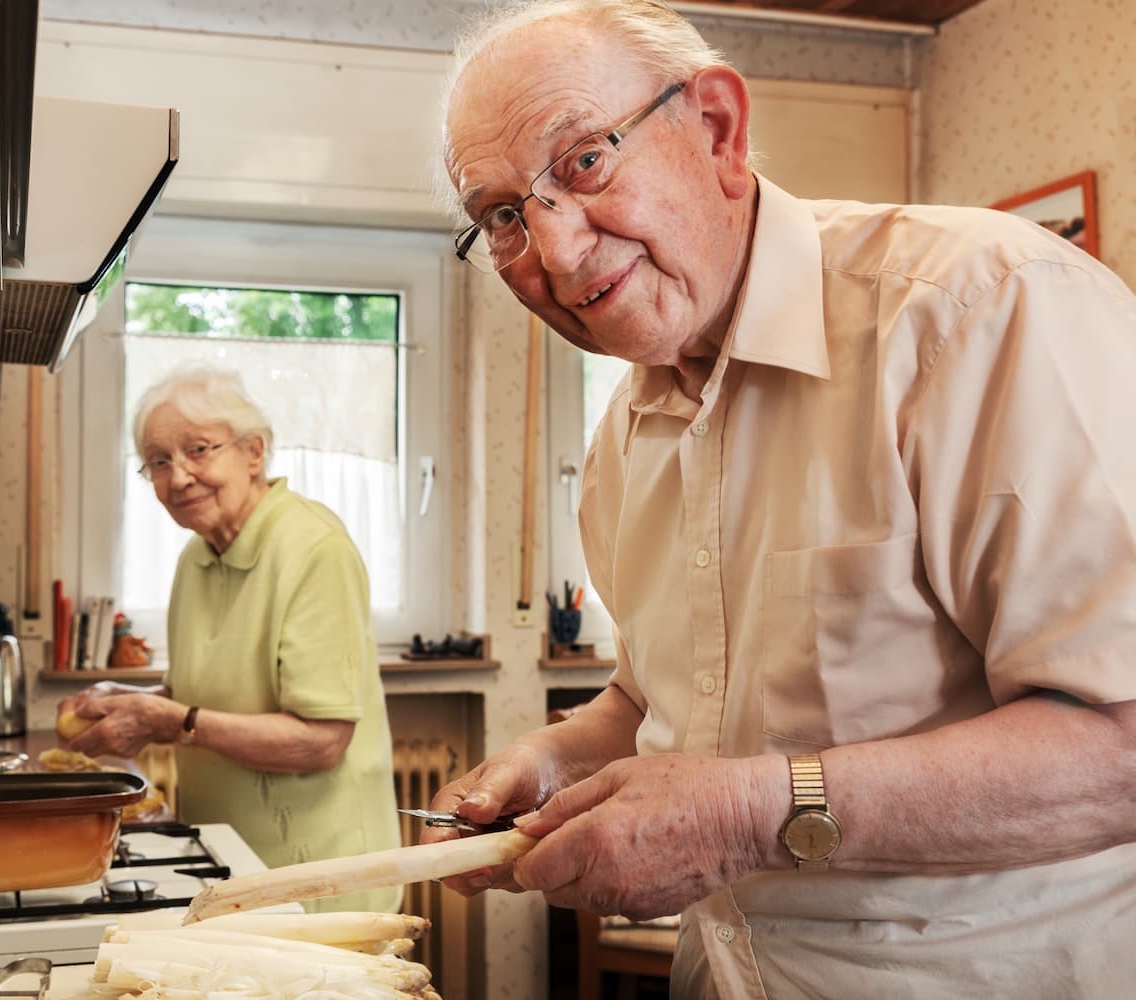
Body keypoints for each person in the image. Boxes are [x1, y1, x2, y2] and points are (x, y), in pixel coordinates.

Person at [426, 1, 1136, 996]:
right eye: (501, 214)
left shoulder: (981, 310)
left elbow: (1123, 742)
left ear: (716, 128)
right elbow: (664, 698)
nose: (552, 249)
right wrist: (556, 758)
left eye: (583, 160)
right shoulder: (625, 439)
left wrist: (745, 813)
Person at [58, 366, 402, 913]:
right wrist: (125, 704)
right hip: (234, 865)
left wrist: (167, 721)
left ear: (254, 452)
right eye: (159, 461)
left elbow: (321, 740)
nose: (179, 478)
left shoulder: (314, 548)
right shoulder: (195, 558)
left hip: (319, 880)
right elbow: (199, 696)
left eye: (198, 449)